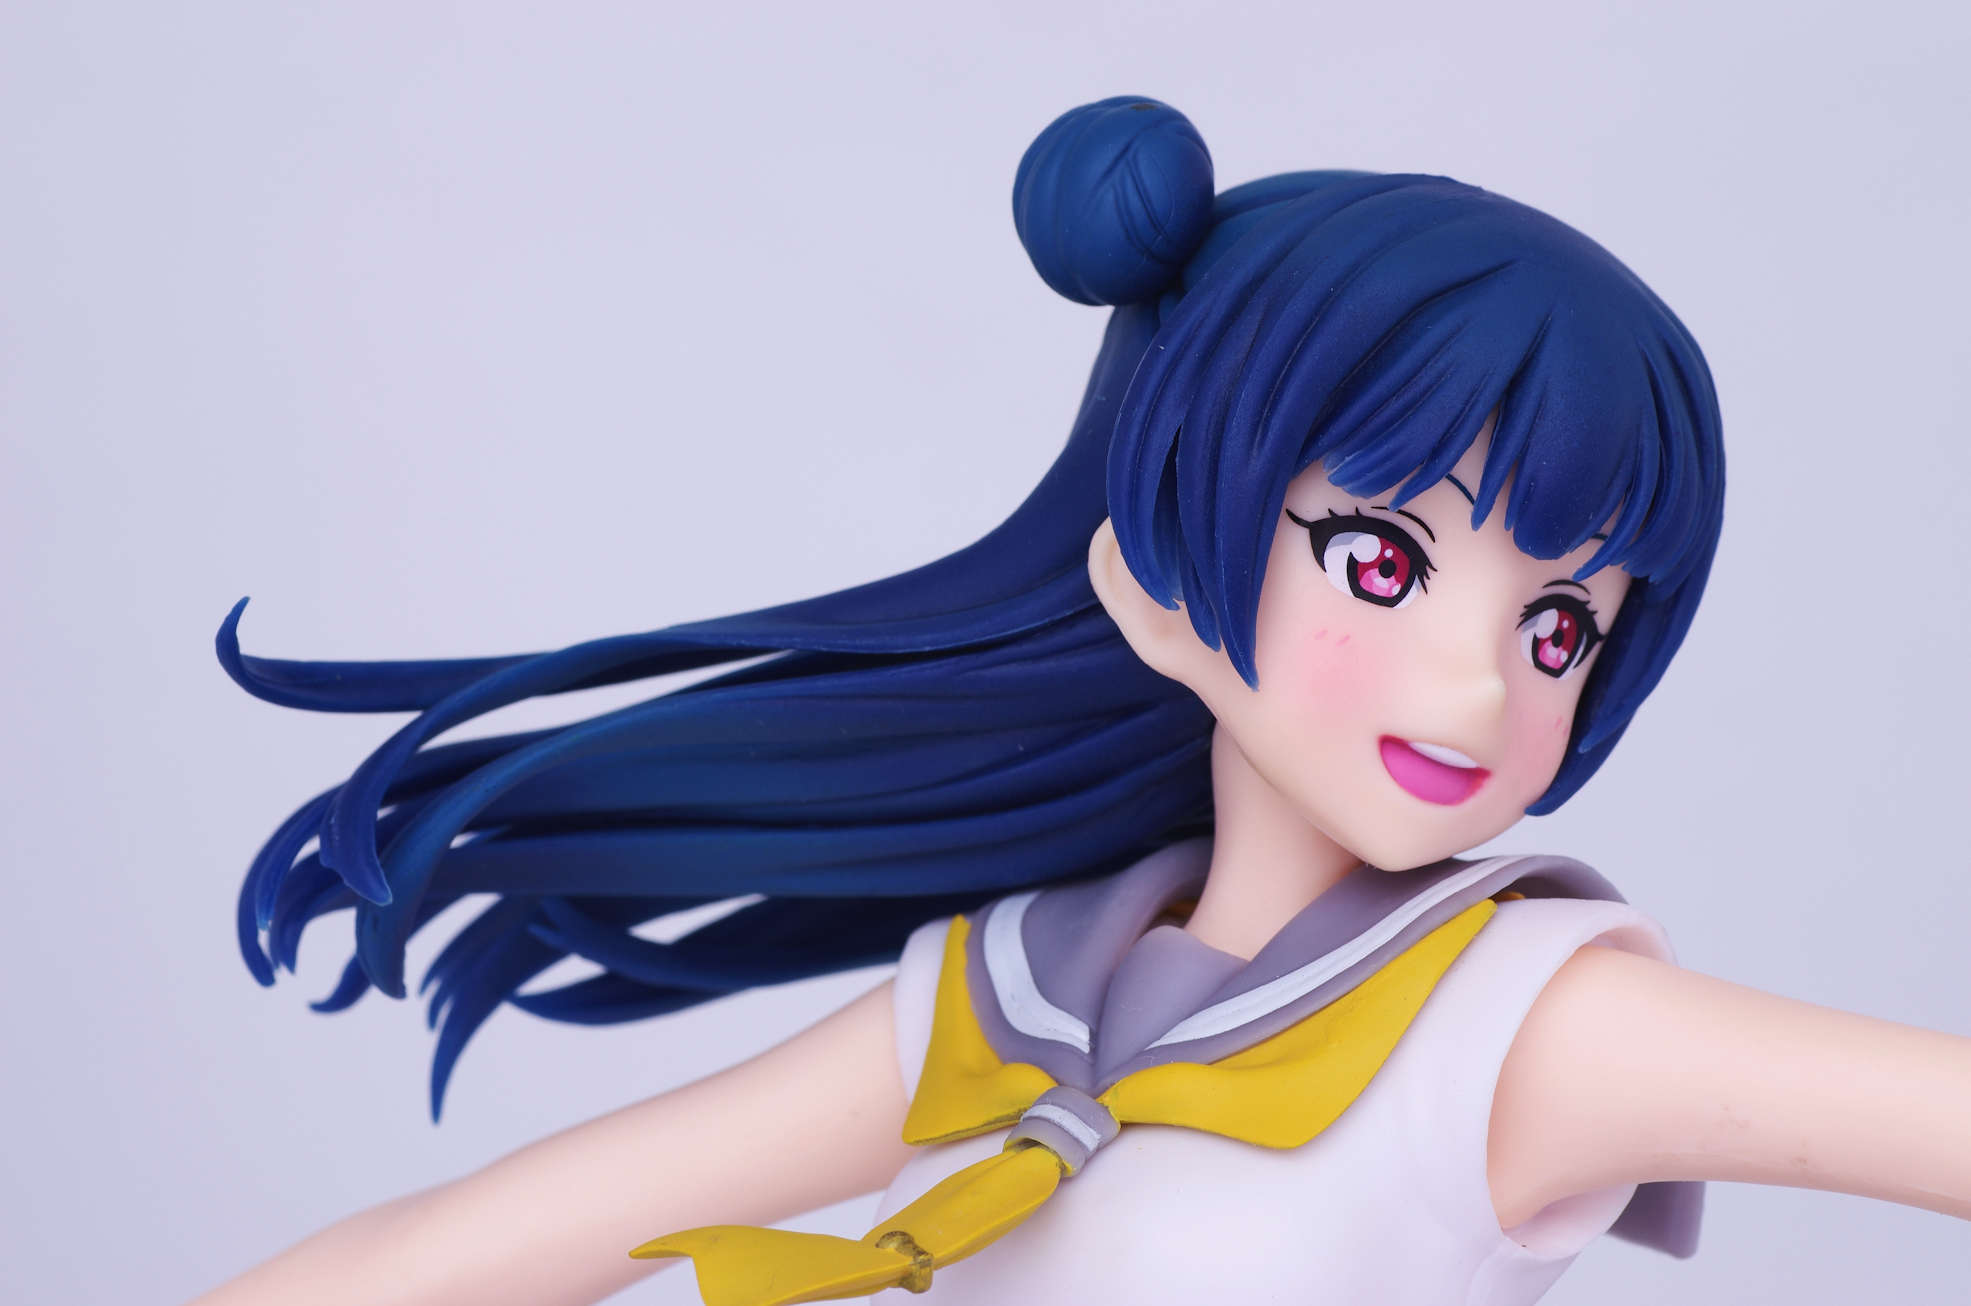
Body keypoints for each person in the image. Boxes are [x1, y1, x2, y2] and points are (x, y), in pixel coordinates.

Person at [194, 98, 1971, 1306]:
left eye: (1564, 623)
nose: (1478, 679)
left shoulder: (1517, 1025)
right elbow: (474, 1253)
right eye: (1382, 560)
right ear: (1155, 568)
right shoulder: (1024, 990)